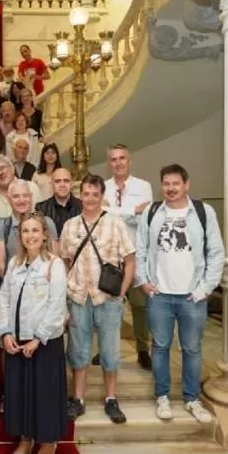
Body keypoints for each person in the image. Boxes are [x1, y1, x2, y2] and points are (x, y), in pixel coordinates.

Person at [136, 164, 224, 424]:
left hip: (192, 296)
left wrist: (205, 288)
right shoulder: (152, 212)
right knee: (160, 347)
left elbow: (216, 253)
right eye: (166, 183)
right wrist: (144, 282)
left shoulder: (203, 212)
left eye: (176, 183)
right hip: (160, 295)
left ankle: (191, 398)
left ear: (186, 184)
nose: (171, 188)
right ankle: (162, 396)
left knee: (192, 349)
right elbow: (140, 250)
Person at [60, 174, 136, 424]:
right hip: (78, 297)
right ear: (80, 195)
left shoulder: (115, 223)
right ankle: (78, 399)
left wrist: (121, 293)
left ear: (102, 196)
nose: (90, 198)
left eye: (95, 194)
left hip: (107, 299)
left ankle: (111, 399)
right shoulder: (70, 226)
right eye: (86, 194)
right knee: (78, 350)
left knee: (110, 352)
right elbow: (64, 261)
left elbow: (130, 260)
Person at [0, 213, 67, 454]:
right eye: (25, 231)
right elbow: (4, 298)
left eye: (35, 230)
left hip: (44, 343)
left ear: (44, 235)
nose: (30, 235)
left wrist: (38, 338)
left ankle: (47, 443)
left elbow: (57, 304)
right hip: (17, 341)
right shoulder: (14, 264)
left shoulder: (54, 265)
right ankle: (25, 440)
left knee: (44, 394)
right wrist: (5, 331)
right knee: (20, 394)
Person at [103, 143, 154, 370]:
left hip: (136, 254)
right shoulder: (103, 187)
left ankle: (143, 350)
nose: (118, 162)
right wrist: (133, 211)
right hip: (110, 257)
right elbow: (102, 218)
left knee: (140, 306)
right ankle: (106, 349)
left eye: (122, 158)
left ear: (129, 161)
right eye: (114, 159)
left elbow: (144, 219)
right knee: (108, 306)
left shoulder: (144, 186)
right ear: (109, 163)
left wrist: (114, 212)